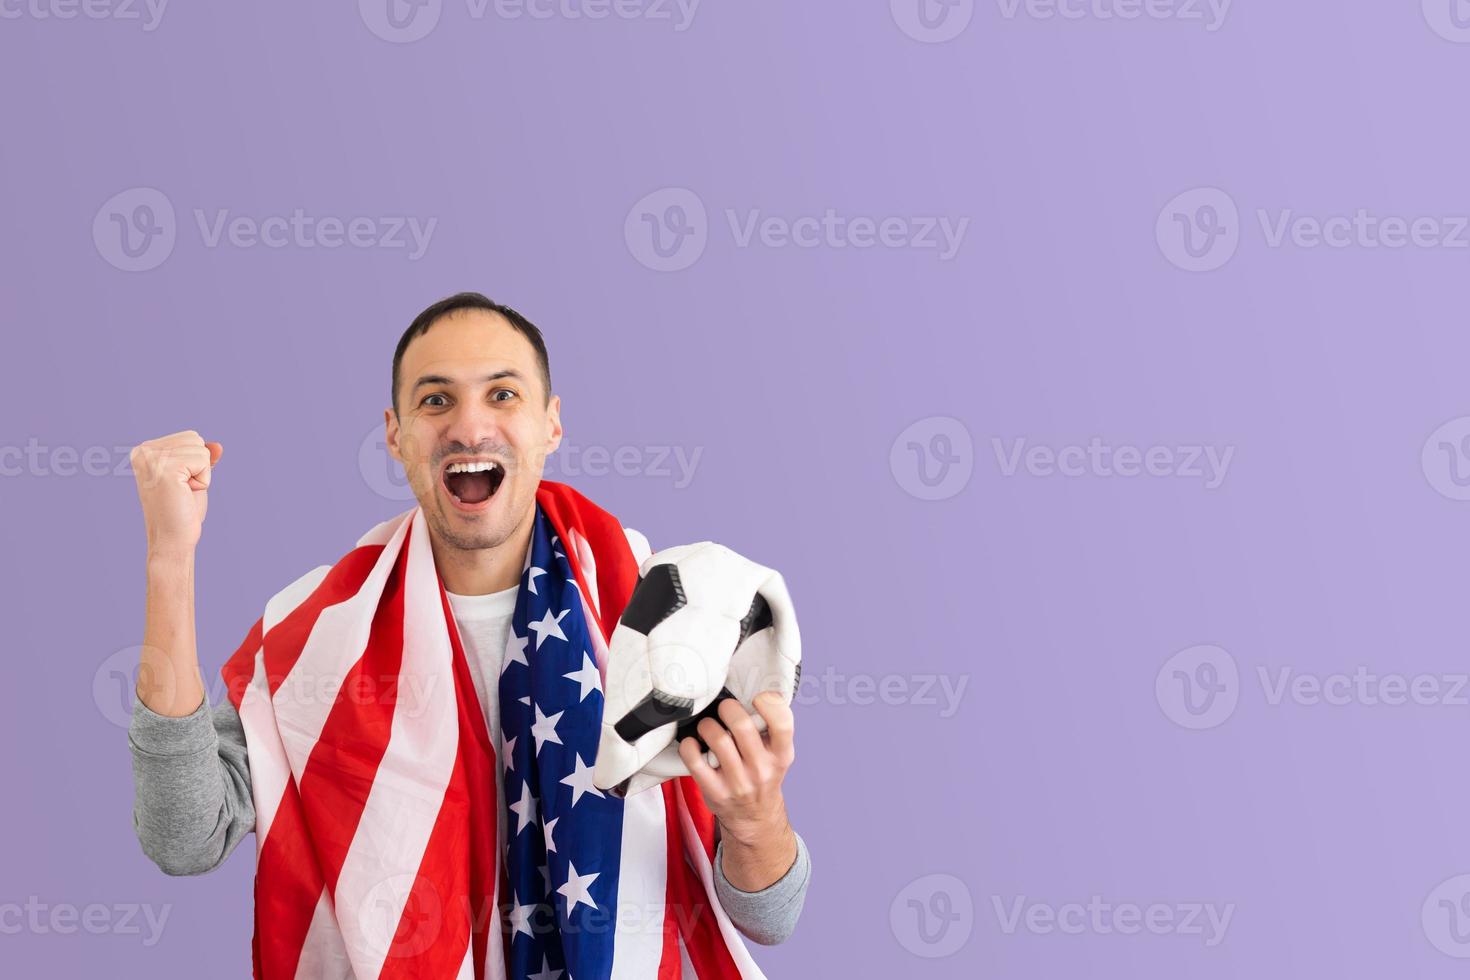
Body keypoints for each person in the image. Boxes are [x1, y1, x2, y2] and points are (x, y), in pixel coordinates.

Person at [127, 292, 810, 979]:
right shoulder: (319, 639)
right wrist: (170, 557)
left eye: (503, 395)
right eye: (435, 401)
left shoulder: (669, 619)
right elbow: (185, 837)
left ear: (551, 424)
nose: (470, 426)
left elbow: (770, 916)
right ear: (395, 435)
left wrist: (756, 821)